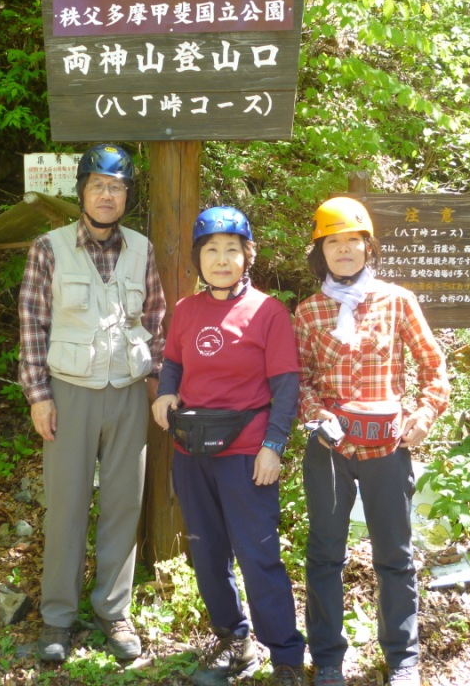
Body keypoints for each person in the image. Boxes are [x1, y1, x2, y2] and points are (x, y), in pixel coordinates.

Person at [18, 143, 166, 663]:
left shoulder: (142, 250)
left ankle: (112, 611)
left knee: (124, 505)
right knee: (66, 507)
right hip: (69, 394)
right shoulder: (50, 247)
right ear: (81, 191)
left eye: (118, 186)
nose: (108, 195)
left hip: (128, 394)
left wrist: (158, 387)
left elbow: (158, 321)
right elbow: (33, 327)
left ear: (127, 195)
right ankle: (58, 617)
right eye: (99, 185)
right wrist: (38, 396)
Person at [294, 197, 450, 686]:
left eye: (352, 241)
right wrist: (317, 416)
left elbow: (433, 365)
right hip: (331, 452)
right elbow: (296, 380)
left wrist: (424, 414)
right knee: (324, 554)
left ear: (368, 246)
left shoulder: (397, 300)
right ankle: (328, 660)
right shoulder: (308, 311)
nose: (344, 250)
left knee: (395, 555)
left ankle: (403, 658)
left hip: (388, 448)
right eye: (333, 241)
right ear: (320, 251)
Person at [151, 206, 307, 686]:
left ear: (248, 256)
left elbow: (286, 386)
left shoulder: (268, 312)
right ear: (199, 258)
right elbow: (173, 362)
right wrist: (165, 391)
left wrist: (274, 445)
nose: (222, 260)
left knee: (259, 556)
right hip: (192, 453)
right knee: (207, 552)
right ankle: (233, 641)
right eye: (211, 250)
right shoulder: (185, 310)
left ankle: (285, 655)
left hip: (246, 454)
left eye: (232, 250)